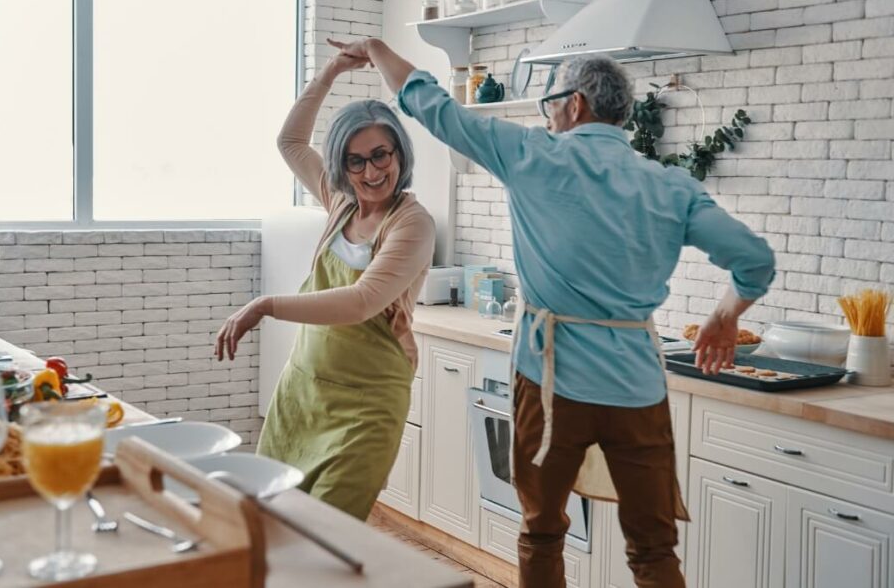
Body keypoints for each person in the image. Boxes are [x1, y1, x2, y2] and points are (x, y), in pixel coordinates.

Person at [329, 38, 775, 588]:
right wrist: (726, 315)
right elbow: (755, 262)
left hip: (548, 385)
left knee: (541, 532)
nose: (549, 114)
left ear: (576, 104)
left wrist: (376, 49)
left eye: (550, 102)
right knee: (654, 550)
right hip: (636, 389)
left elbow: (431, 105)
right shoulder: (668, 184)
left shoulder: (531, 155)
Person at [213, 49, 435, 521]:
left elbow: (362, 301)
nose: (371, 173)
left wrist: (266, 305)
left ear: (399, 153)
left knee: (326, 533)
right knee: (270, 521)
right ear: (342, 166)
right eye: (356, 162)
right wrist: (331, 72)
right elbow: (291, 141)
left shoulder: (411, 224)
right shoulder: (342, 202)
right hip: (302, 393)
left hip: (366, 407)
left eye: (381, 155)